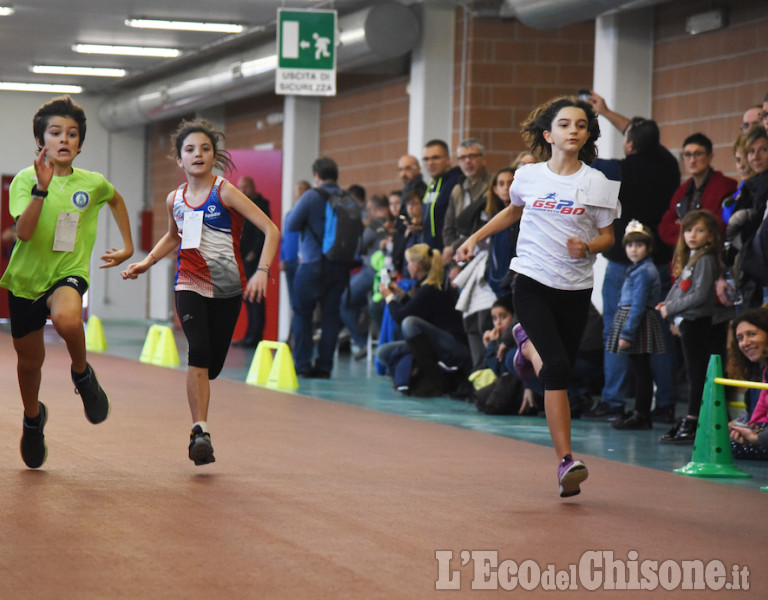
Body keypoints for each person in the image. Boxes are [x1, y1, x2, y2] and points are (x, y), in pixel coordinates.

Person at [457, 95, 620, 498]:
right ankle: (566, 461)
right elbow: (512, 210)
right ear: (549, 134)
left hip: (575, 288)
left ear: (587, 134)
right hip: (530, 280)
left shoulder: (597, 183)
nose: (573, 131)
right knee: (559, 368)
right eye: (565, 124)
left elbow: (608, 236)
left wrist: (590, 248)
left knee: (553, 369)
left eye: (581, 125)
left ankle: (524, 344)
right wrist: (475, 238)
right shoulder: (528, 176)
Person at [121, 119, 278, 466]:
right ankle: (199, 431)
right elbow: (174, 236)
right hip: (189, 282)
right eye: (190, 150)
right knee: (199, 351)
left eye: (205, 149)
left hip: (227, 288)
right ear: (180, 160)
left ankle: (201, 412)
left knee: (213, 365)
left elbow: (270, 229)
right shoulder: (174, 198)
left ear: (214, 156)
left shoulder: (225, 192)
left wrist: (261, 273)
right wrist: (145, 263)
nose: (198, 155)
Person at [2, 96, 134, 469]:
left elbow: (116, 199)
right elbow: (23, 234)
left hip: (67, 273)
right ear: (41, 141)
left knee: (67, 320)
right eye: (56, 132)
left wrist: (128, 245)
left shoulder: (92, 183)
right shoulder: (25, 180)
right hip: (26, 281)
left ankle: (82, 373)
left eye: (72, 134)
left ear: (80, 143)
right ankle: (33, 419)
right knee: (30, 363)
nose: (64, 139)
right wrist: (41, 190)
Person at [584, 92, 680, 424]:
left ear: (629, 145)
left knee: (617, 329)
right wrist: (609, 112)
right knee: (659, 333)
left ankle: (613, 400)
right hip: (661, 262)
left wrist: (590, 122)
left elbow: (586, 161)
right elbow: (642, 136)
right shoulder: (669, 164)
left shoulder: (617, 171)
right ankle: (665, 404)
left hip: (626, 264)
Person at [656, 209, 721, 445]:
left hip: (697, 322)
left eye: (700, 230)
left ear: (711, 236)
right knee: (694, 371)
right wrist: (669, 303)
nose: (693, 235)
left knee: (696, 373)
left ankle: (694, 419)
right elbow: (683, 288)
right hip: (688, 322)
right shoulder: (694, 257)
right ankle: (693, 417)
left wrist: (671, 309)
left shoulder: (704, 259)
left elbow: (700, 295)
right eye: (689, 229)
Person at [285, 157, 351, 378]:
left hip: (312, 265)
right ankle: (325, 367)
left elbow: (292, 224)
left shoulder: (311, 196)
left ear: (317, 176)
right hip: (339, 267)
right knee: (330, 318)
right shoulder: (347, 197)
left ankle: (302, 364)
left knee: (302, 314)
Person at [377, 243, 471, 378]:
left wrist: (389, 297)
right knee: (383, 352)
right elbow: (414, 307)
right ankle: (415, 369)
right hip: (437, 342)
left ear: (415, 266)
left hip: (454, 345)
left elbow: (401, 316)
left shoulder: (429, 289)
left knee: (410, 323)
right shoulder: (426, 287)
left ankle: (428, 373)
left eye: (409, 263)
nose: (407, 266)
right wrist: (400, 294)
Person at [607, 221, 666, 430]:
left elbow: (639, 304)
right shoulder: (638, 269)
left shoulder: (643, 272)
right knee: (639, 369)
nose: (634, 249)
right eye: (630, 245)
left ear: (648, 248)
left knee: (641, 370)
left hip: (637, 323)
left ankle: (642, 414)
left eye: (639, 245)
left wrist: (627, 333)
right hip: (633, 321)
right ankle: (639, 412)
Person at [658, 133, 736, 246]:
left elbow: (719, 227)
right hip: (683, 257)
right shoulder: (682, 190)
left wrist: (683, 226)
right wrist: (697, 231)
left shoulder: (725, 186)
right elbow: (664, 228)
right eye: (687, 155)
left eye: (698, 154)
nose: (692, 160)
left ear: (710, 157)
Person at [232, 175, 272, 348]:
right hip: (241, 257)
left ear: (253, 187)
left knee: (255, 297)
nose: (242, 191)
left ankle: (256, 335)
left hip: (253, 259)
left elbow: (263, 233)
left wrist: (253, 255)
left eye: (245, 187)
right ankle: (250, 334)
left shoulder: (261, 205)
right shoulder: (242, 206)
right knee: (247, 297)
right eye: (240, 187)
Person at [442, 138, 492, 264]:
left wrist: (453, 247)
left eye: (472, 156)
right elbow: (449, 227)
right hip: (459, 255)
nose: (467, 161)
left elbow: (484, 226)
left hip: (484, 253)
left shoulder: (493, 187)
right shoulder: (457, 190)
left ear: (483, 159)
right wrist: (453, 252)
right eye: (462, 158)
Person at [727, 308, 768, 460]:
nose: (745, 343)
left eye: (752, 334)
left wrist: (756, 437)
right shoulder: (765, 370)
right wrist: (751, 426)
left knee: (729, 444)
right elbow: (761, 406)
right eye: (740, 338)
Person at [420, 140, 462, 252]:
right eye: (426, 159)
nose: (430, 163)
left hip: (449, 252)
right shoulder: (432, 184)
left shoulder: (456, 182)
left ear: (448, 160)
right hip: (431, 253)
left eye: (435, 158)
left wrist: (452, 247)